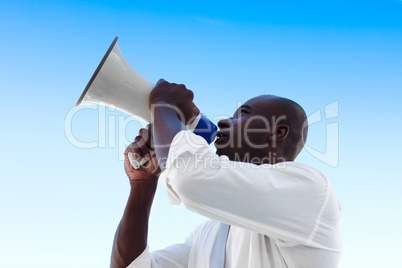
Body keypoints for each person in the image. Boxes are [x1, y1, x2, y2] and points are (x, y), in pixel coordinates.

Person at [110, 80, 342, 268]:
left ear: (276, 132)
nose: (223, 122)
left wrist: (164, 105)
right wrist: (143, 185)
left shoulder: (309, 189)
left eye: (242, 114)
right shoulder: (208, 235)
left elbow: (190, 178)